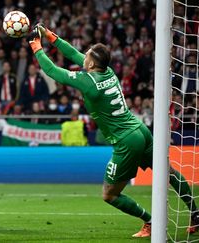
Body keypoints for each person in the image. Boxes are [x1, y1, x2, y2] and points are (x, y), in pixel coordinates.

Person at [29, 25, 199, 237]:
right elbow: (73, 53)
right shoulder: (107, 71)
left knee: (110, 195)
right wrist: (51, 37)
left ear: (91, 62)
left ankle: (151, 221)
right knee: (168, 172)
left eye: (88, 53)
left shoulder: (88, 82)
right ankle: (196, 213)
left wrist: (37, 47)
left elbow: (53, 71)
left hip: (126, 140)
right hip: (140, 130)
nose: (84, 55)